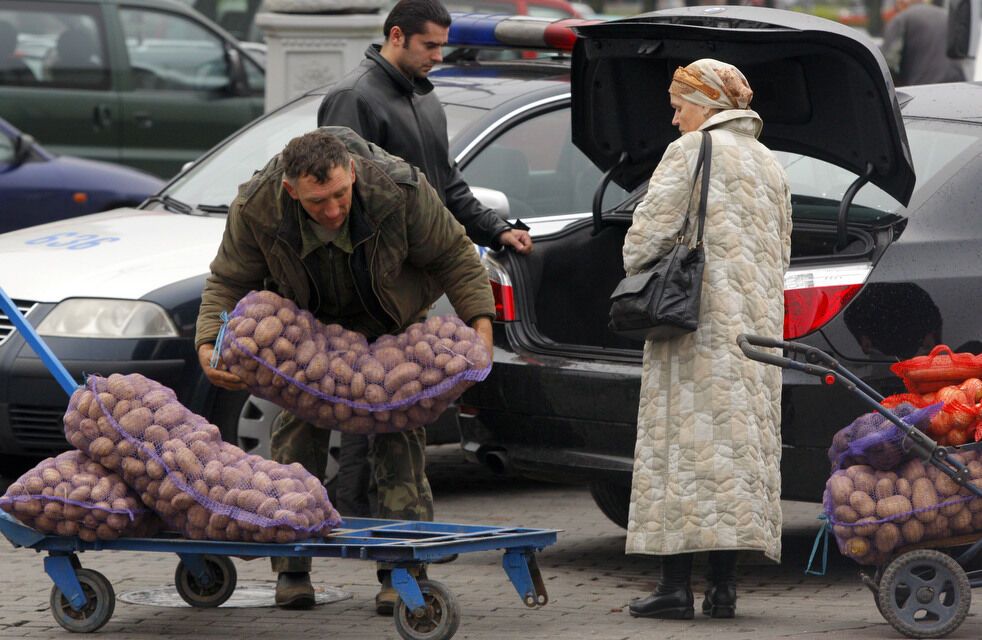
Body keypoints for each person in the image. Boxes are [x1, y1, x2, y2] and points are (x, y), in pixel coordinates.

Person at [194, 126, 495, 610]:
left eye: (339, 195)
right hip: (309, 326)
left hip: (391, 323)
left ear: (351, 172)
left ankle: (402, 570)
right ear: (292, 191)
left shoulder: (400, 191)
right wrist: (209, 342)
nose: (333, 210)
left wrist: (481, 332)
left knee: (400, 435)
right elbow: (228, 279)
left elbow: (455, 256)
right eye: (317, 203)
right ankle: (291, 567)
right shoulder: (258, 207)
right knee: (296, 433)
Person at [314, 0, 532, 547]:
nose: (439, 56)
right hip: (364, 283)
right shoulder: (353, 97)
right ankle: (358, 524)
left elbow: (445, 187)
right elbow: (334, 200)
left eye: (441, 45)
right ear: (396, 37)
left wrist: (496, 229)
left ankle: (384, 528)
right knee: (365, 403)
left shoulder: (424, 100)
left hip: (410, 282)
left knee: (392, 404)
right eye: (430, 46)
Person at [622, 59, 792, 620]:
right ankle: (724, 590)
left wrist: (635, 259)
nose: (674, 120)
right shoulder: (771, 165)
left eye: (679, 107)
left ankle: (674, 588)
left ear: (707, 105)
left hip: (693, 328)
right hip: (754, 334)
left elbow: (645, 239)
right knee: (731, 456)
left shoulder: (692, 151)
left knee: (682, 453)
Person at [882, 0, 964, 87]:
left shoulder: (901, 19)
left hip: (923, 90)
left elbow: (887, 64)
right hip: (957, 87)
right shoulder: (947, 16)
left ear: (900, 3)